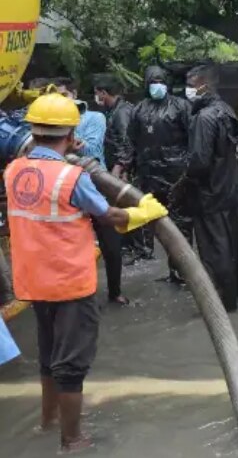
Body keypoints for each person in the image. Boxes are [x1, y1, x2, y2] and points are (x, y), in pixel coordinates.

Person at [4, 93, 167, 451]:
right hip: (70, 284)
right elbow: (110, 216)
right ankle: (72, 440)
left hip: (34, 283)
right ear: (71, 134)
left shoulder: (14, 171)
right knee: (72, 365)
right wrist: (144, 213)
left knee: (49, 356)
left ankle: (47, 423)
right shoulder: (70, 176)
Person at [116, 66, 195, 284]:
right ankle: (171, 269)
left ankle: (185, 271)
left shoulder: (181, 106)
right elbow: (130, 141)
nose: (156, 85)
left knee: (181, 223)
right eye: (152, 82)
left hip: (176, 174)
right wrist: (122, 166)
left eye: (160, 81)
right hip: (149, 174)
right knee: (156, 222)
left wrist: (190, 170)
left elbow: (194, 139)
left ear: (166, 83)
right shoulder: (140, 109)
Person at [53, 79, 127, 306]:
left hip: (95, 185)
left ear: (74, 93)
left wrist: (65, 143)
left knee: (112, 246)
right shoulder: (50, 122)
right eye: (55, 96)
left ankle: (115, 291)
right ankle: (75, 294)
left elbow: (93, 149)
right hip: (65, 189)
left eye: (64, 94)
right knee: (70, 246)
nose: (60, 99)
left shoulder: (94, 117)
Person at [179, 65, 238, 312]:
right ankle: (234, 295)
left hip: (210, 193)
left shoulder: (205, 117)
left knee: (214, 249)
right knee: (230, 245)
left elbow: (199, 162)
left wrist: (184, 184)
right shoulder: (226, 110)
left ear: (203, 85)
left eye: (191, 84)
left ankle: (219, 303)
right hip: (228, 189)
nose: (187, 90)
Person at [92, 75, 138, 261]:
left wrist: (121, 167)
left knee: (128, 206)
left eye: (96, 93)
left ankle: (139, 249)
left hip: (123, 168)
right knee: (121, 205)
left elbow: (127, 142)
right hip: (116, 165)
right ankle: (128, 246)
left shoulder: (122, 112)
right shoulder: (113, 110)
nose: (96, 97)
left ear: (104, 93)